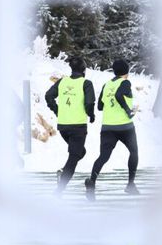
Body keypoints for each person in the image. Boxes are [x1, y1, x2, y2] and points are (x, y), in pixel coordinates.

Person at [84, 59, 140, 199]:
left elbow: (100, 107)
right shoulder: (125, 82)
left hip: (108, 127)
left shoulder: (106, 84)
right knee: (134, 152)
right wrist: (128, 110)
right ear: (127, 72)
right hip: (125, 126)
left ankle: (92, 181)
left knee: (103, 156)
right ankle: (130, 184)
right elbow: (119, 95)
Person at [45, 57, 96, 192]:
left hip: (63, 127)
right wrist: (91, 115)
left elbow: (48, 96)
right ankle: (60, 189)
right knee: (74, 156)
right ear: (84, 70)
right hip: (78, 126)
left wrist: (57, 110)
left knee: (80, 152)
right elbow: (90, 103)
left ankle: (64, 170)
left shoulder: (62, 82)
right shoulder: (86, 83)